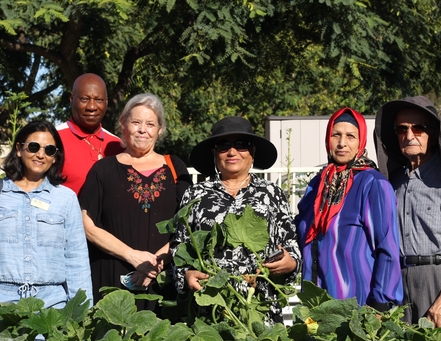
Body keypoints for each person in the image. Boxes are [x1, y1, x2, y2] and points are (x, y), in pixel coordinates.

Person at [0, 120, 93, 319]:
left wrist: (82, 311)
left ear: (55, 157)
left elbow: (76, 259)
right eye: (33, 146)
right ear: (19, 149)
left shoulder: (66, 199)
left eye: (49, 150)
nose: (40, 154)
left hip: (51, 306)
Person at [172, 116, 301, 322]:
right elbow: (179, 248)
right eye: (223, 145)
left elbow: (291, 244)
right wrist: (186, 274)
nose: (232, 152)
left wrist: (290, 263)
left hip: (260, 308)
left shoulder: (271, 193)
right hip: (211, 308)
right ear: (214, 152)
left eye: (241, 145)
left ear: (253, 152)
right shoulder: (195, 194)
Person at [374, 95, 441, 327]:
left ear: (434, 134)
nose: (409, 135)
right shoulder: (392, 183)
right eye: (402, 129)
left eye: (418, 128)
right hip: (400, 284)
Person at [79, 93, 192, 309]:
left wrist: (155, 262)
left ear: (160, 129)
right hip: (111, 277)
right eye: (136, 122)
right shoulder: (103, 169)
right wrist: (132, 256)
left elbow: (186, 225)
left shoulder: (175, 167)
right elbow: (87, 223)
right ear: (123, 124)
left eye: (150, 124)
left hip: (161, 280)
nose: (143, 130)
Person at [295, 108, 403, 310]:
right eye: (336, 134)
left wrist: (380, 305)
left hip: (357, 307)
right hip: (314, 306)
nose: (342, 143)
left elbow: (387, 248)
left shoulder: (372, 184)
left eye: (350, 136)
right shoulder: (318, 185)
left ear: (360, 141)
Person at [57, 73, 124, 194]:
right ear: (71, 99)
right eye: (84, 99)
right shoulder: (54, 139)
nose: (92, 107)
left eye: (98, 100)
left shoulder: (117, 144)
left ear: (106, 102)